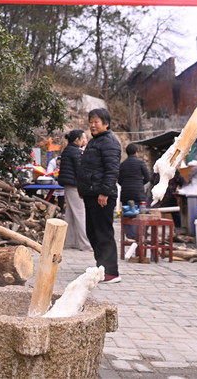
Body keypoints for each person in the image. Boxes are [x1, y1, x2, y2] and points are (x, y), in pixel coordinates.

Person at [78, 108, 122, 283]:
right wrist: (85, 191)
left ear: (106, 123)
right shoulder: (96, 142)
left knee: (103, 232)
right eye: (91, 122)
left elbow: (112, 170)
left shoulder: (109, 142)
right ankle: (101, 267)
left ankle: (111, 272)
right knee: (92, 232)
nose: (93, 125)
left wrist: (104, 192)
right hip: (92, 194)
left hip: (102, 195)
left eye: (96, 122)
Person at [57, 130, 92, 251]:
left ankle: (69, 242)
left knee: (71, 214)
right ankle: (85, 244)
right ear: (77, 140)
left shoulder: (69, 150)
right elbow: (80, 170)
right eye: (84, 138)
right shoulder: (75, 151)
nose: (85, 140)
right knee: (80, 213)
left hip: (69, 185)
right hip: (74, 186)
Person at [117, 143, 151, 240]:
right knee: (140, 212)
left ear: (127, 153)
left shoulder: (122, 165)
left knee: (128, 212)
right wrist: (140, 183)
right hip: (138, 193)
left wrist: (125, 185)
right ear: (136, 152)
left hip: (126, 193)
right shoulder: (140, 163)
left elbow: (119, 180)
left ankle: (129, 235)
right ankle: (140, 234)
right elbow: (148, 177)